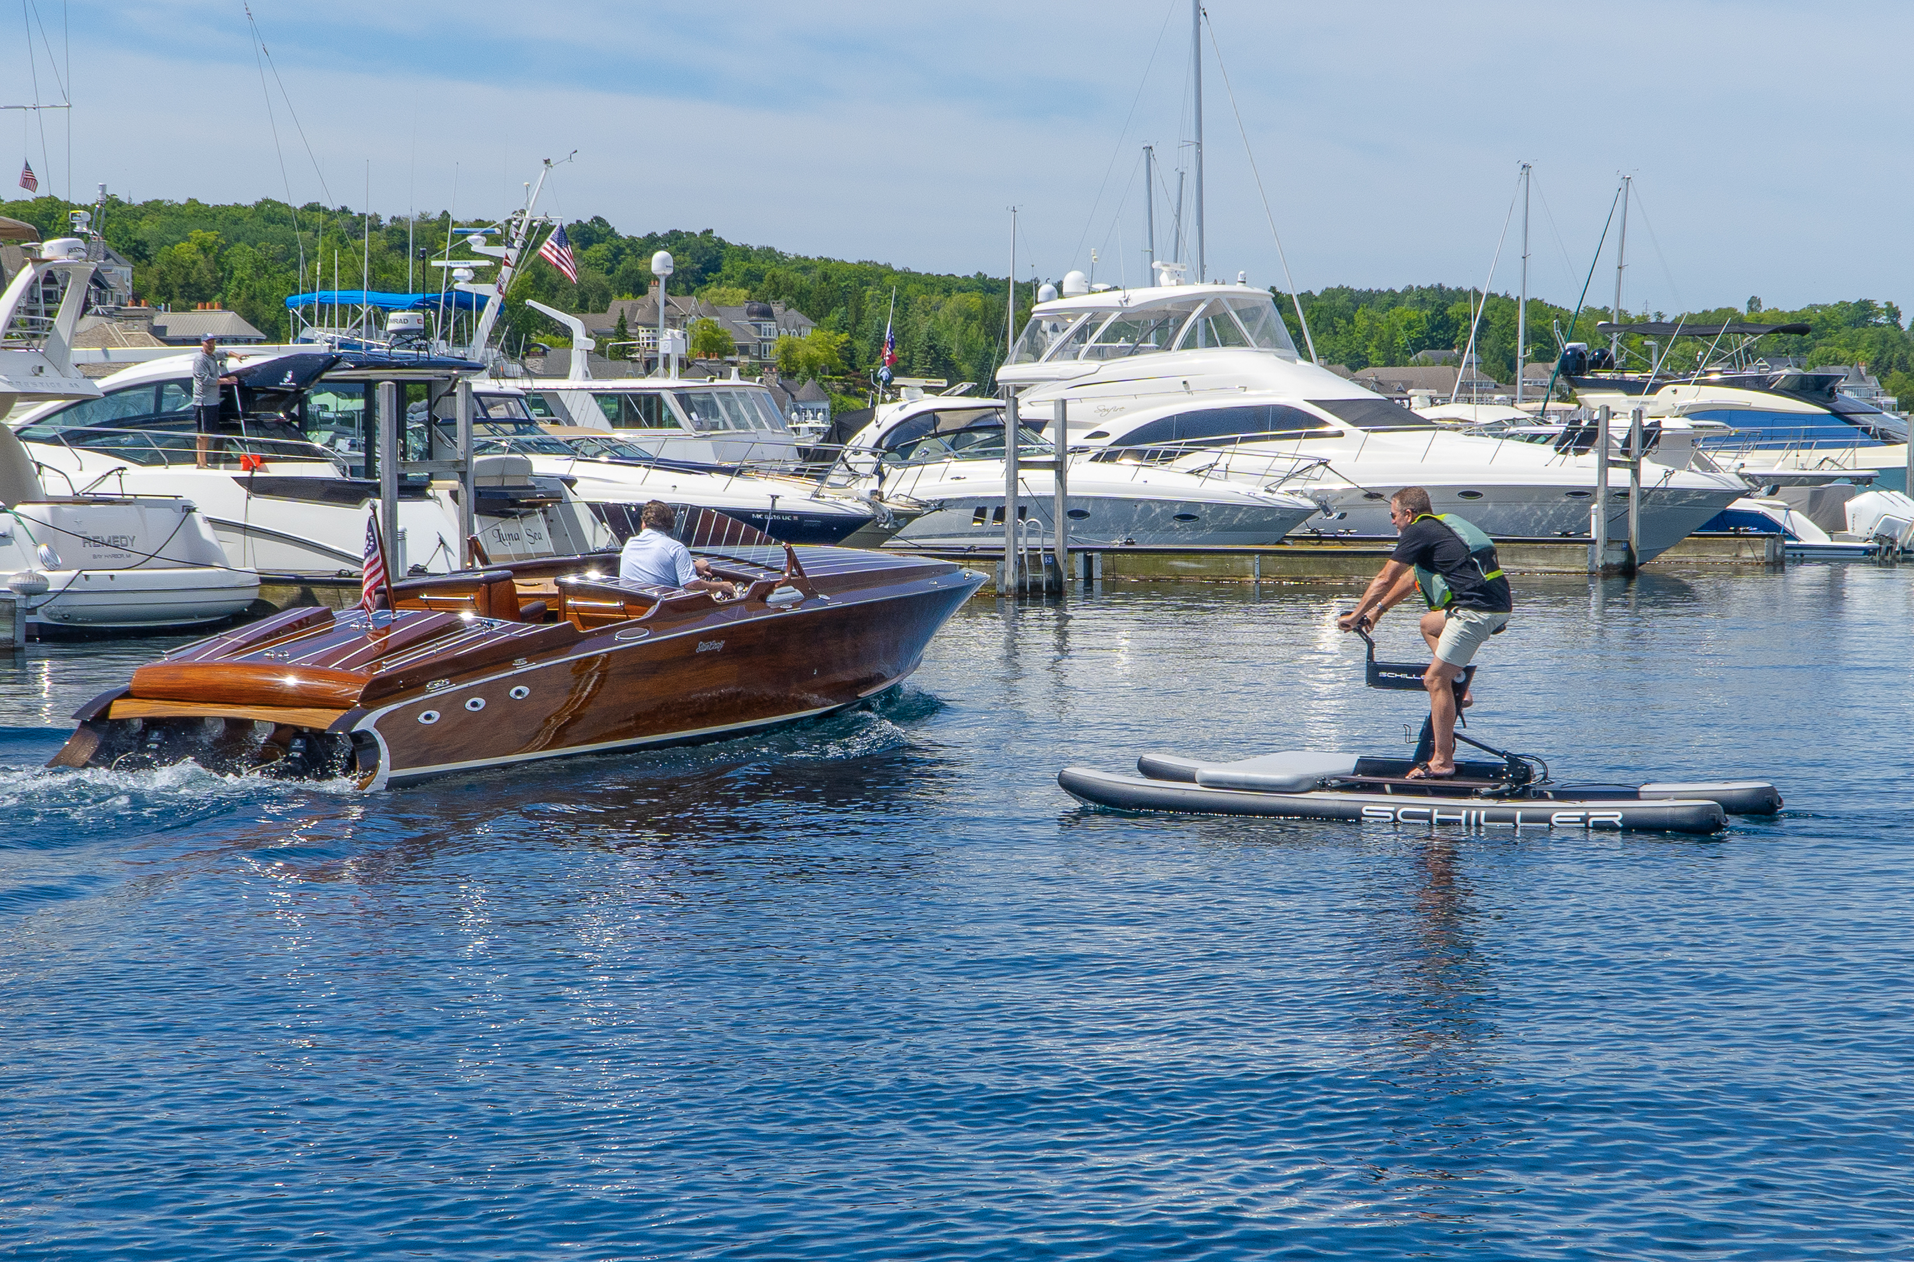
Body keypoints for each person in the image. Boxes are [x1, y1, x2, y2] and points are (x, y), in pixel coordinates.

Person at [1337, 487, 1513, 779]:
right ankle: (1460, 686)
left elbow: (1385, 578)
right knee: (1429, 624)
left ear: (1408, 514)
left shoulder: (1418, 531)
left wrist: (1354, 616)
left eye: (1393, 516)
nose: (1392, 522)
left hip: (1476, 610)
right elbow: (1409, 578)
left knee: (1434, 679)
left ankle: (1443, 761)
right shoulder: (1438, 529)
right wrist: (1376, 612)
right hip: (1493, 605)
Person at [618, 500, 738, 597]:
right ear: (670, 526)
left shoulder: (630, 543)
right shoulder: (676, 549)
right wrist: (722, 586)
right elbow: (691, 585)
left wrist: (692, 567)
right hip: (661, 611)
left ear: (643, 523)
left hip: (631, 604)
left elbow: (654, 566)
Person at [191, 336, 234, 469]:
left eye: (213, 343)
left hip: (212, 401)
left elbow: (225, 352)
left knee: (208, 431)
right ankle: (201, 462)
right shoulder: (200, 359)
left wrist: (237, 355)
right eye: (208, 343)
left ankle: (202, 460)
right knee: (203, 432)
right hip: (203, 401)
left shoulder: (213, 355)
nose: (211, 345)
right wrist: (226, 381)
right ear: (202, 343)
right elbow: (205, 380)